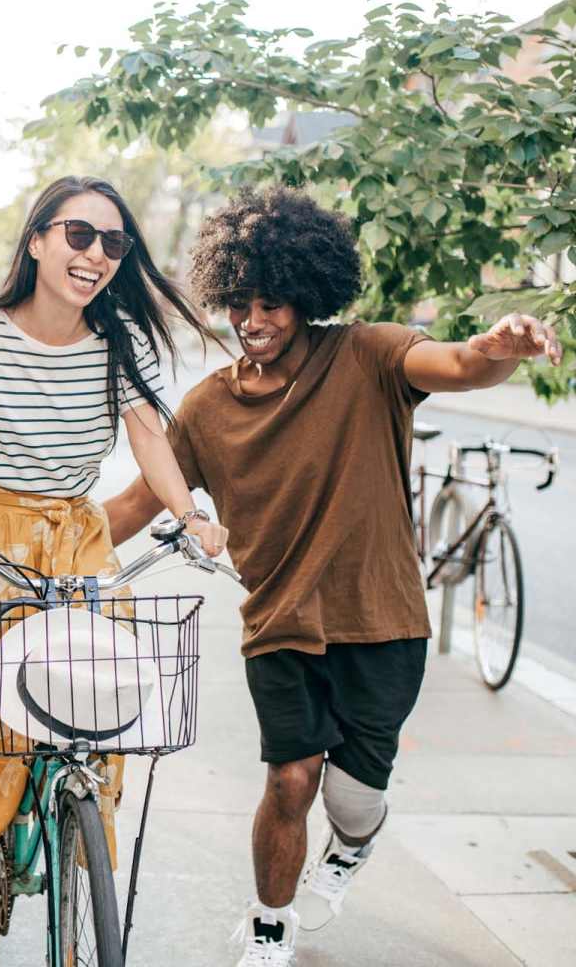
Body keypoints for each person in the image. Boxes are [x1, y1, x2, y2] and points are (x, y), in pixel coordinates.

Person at [102, 186, 563, 967]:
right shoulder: (209, 410)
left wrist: (498, 346)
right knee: (291, 779)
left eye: (273, 303)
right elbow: (142, 499)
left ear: (308, 295)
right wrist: (48, 548)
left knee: (352, 801)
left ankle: (352, 846)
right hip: (279, 623)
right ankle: (269, 922)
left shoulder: (369, 355)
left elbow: (454, 362)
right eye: (239, 304)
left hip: (383, 622)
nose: (253, 321)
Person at [0, 175, 229, 967]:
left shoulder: (121, 343)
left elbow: (149, 439)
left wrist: (191, 517)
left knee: (99, 713)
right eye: (80, 235)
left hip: (78, 538)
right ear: (38, 239)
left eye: (115, 243)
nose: (97, 255)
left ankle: (82, 876)